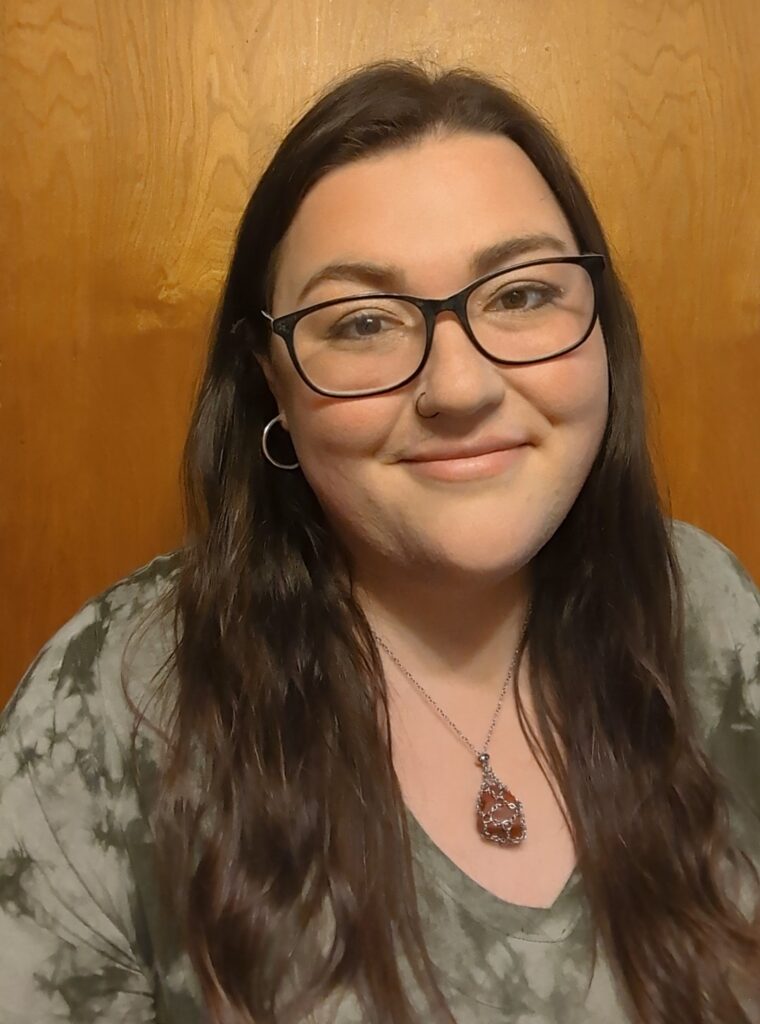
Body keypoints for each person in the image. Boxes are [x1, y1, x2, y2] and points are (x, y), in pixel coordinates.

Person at [0, 59, 758, 1024]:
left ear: (600, 329)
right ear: (270, 382)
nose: (458, 389)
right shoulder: (121, 701)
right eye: (362, 322)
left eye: (522, 295)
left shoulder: (713, 613)